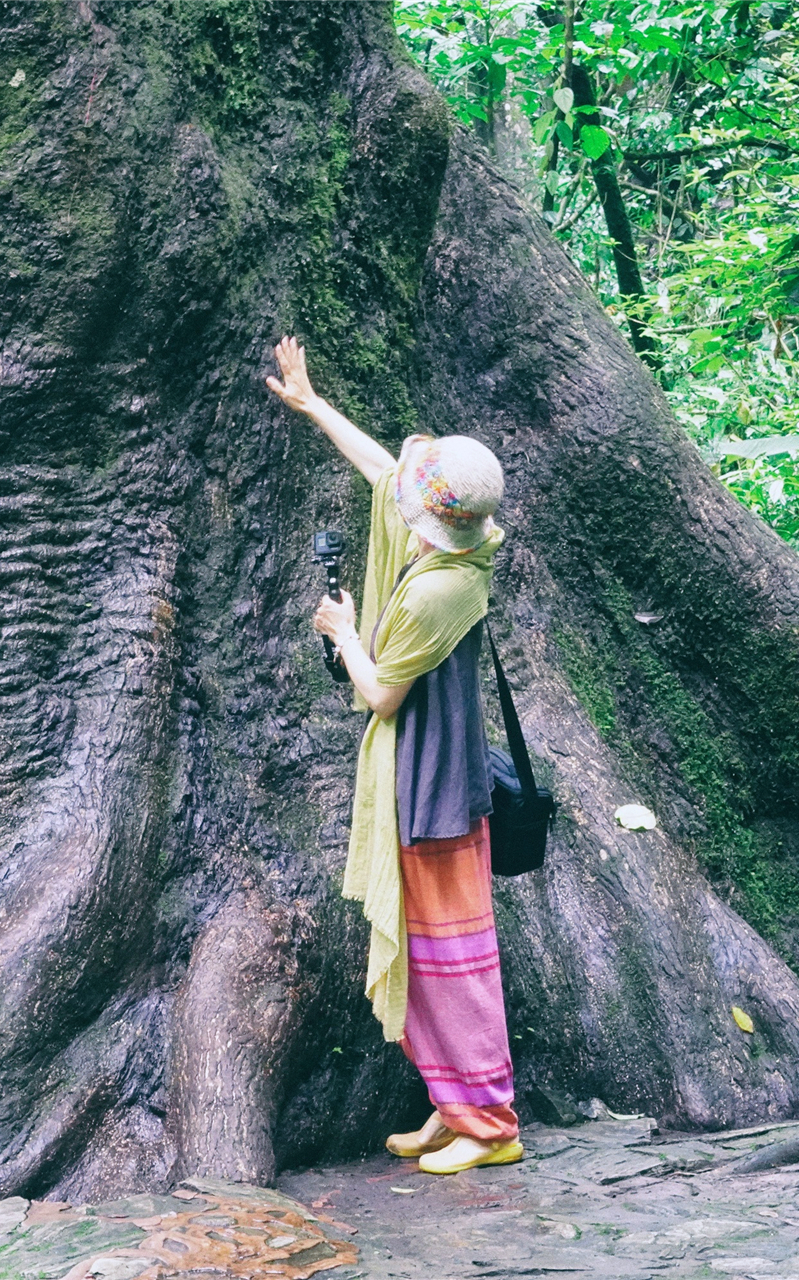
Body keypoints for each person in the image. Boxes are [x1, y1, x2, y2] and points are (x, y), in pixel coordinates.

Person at [266, 335, 523, 1176]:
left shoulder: (440, 589)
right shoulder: (461, 544)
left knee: (455, 962)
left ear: (435, 519)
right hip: (437, 774)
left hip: (433, 784)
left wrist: (344, 634)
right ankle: (454, 1107)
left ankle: (491, 1124)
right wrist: (312, 404)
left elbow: (382, 696)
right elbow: (387, 473)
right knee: (431, 956)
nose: (400, 503)